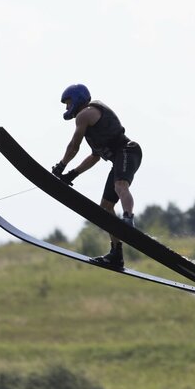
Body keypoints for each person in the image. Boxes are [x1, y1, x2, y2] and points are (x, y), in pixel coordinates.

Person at [52, 84, 142, 269]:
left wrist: (61, 165)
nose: (67, 108)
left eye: (68, 103)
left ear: (77, 99)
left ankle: (128, 221)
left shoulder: (85, 114)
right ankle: (116, 254)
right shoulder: (92, 126)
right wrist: (72, 174)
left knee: (120, 185)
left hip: (128, 150)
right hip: (119, 157)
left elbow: (73, 146)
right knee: (106, 208)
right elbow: (94, 157)